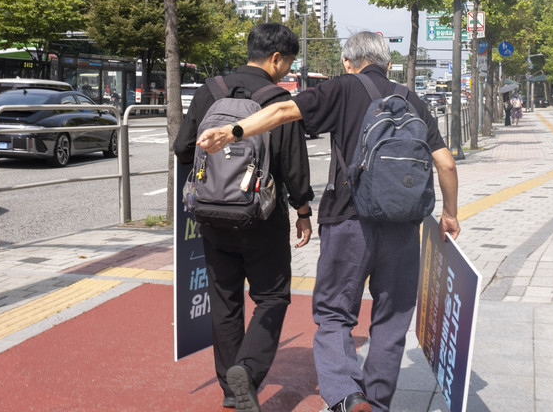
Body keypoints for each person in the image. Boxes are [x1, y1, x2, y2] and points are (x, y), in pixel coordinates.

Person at [197, 31, 461, 412]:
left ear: (348, 63)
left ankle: (346, 395)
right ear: (387, 63)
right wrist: (450, 215)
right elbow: (446, 164)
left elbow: (284, 111)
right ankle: (378, 403)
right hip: (404, 228)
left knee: (335, 313)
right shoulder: (412, 99)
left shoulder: (342, 88)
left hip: (349, 222)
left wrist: (234, 130)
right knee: (391, 321)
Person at [173, 23, 314, 412]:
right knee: (272, 296)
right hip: (262, 217)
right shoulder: (276, 99)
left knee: (225, 300)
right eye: (286, 63)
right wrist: (303, 211)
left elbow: (182, 147)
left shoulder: (210, 90)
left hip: (211, 215)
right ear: (275, 58)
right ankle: (247, 373)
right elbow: (293, 166)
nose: (286, 70)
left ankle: (230, 391)